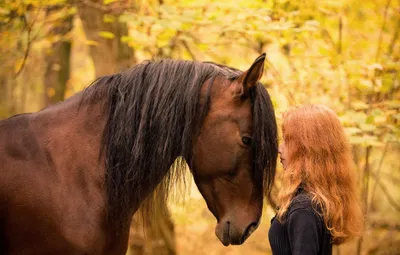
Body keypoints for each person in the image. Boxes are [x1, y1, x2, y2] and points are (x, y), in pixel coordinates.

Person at [268, 104, 364, 255]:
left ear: (307, 149)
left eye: (287, 141)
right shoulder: (311, 201)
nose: (279, 148)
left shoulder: (305, 207)